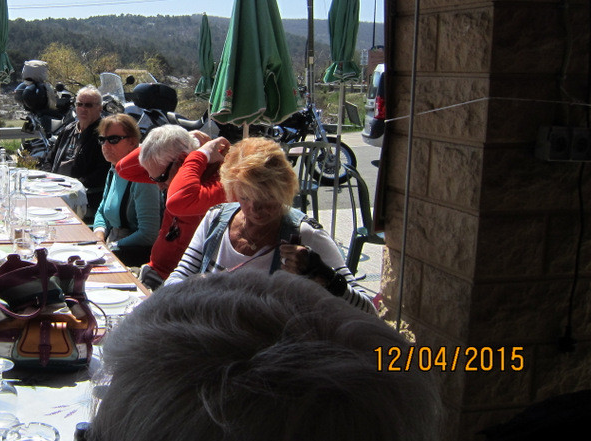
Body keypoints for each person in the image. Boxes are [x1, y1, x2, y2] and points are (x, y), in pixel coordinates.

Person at [90, 268, 440, 441]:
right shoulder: (220, 218)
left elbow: (360, 306)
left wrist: (328, 278)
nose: (253, 206)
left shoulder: (303, 236)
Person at [165, 138, 375, 313]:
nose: (255, 209)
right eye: (245, 197)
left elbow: (367, 310)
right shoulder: (216, 220)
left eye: (266, 198)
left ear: (284, 191)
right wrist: (193, 286)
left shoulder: (304, 235)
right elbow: (178, 278)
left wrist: (324, 275)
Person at [114, 125, 204, 285]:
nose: (159, 186)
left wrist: (197, 156)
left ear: (182, 161)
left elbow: (180, 202)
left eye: (160, 177)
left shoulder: (202, 191)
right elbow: (123, 168)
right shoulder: (170, 175)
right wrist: (188, 138)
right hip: (151, 272)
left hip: (173, 287)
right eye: (153, 179)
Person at [91, 114, 160, 266]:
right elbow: (102, 211)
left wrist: (111, 247)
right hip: (111, 245)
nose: (106, 145)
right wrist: (99, 234)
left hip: (132, 255)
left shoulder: (143, 178)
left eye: (113, 139)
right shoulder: (115, 169)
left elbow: (148, 234)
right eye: (102, 139)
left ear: (133, 142)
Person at [42, 86, 111, 218]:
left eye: (89, 105)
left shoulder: (104, 134)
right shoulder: (68, 129)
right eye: (79, 104)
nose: (83, 109)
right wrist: (49, 180)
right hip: (55, 189)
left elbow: (103, 172)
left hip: (83, 196)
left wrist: (74, 185)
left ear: (100, 108)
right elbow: (49, 160)